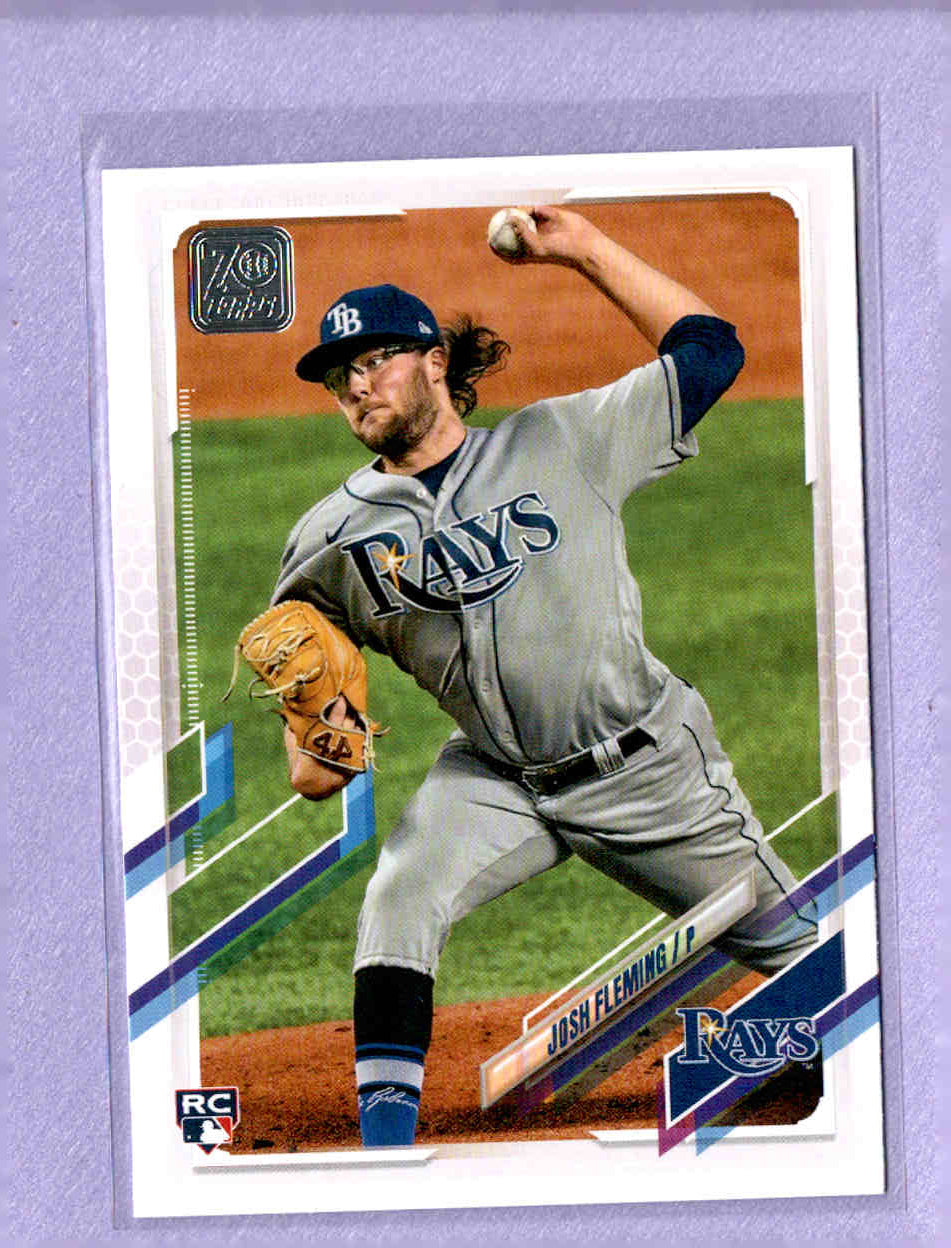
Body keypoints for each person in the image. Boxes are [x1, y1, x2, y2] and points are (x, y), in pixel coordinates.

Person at [272, 205, 818, 1148]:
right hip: (493, 777)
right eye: (338, 375)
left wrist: (581, 249)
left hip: (647, 770)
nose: (355, 385)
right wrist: (314, 744)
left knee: (821, 977)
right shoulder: (328, 539)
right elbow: (305, 677)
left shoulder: (565, 440)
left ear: (434, 362)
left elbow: (710, 351)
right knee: (400, 892)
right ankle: (383, 1146)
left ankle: (812, 1051)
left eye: (375, 360)